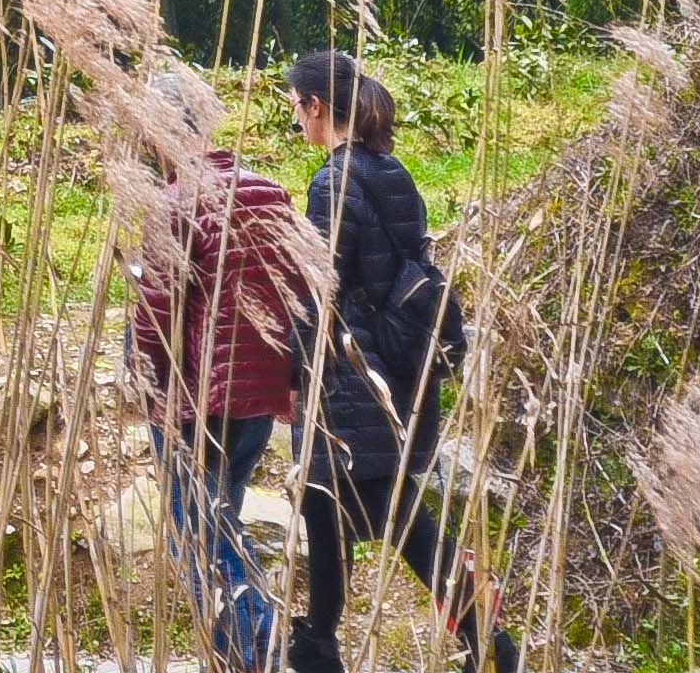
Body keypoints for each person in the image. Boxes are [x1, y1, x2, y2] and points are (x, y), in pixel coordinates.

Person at [288, 48, 515, 672]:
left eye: (297, 108)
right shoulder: (391, 169)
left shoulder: (332, 180)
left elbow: (321, 289)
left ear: (316, 106)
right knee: (326, 501)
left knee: (388, 508)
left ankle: (485, 638)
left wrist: (297, 370)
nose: (296, 121)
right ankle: (320, 640)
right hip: (398, 363)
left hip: (354, 373)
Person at [128, 62, 304, 666]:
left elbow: (156, 313)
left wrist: (143, 383)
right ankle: (252, 645)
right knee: (223, 523)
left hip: (195, 402)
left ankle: (262, 646)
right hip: (258, 400)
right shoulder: (269, 191)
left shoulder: (174, 203)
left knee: (197, 539)